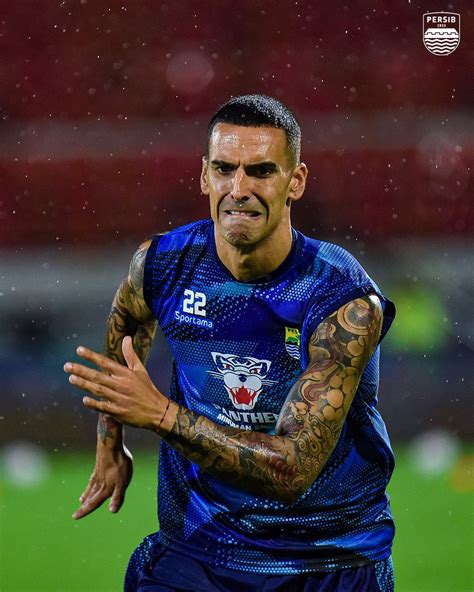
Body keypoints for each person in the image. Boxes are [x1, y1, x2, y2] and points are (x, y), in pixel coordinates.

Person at [64, 94, 396, 592]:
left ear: (296, 181)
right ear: (204, 176)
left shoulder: (340, 298)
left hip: (325, 560)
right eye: (224, 169)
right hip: (196, 555)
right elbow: (127, 324)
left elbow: (291, 470)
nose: (239, 189)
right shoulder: (164, 264)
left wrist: (159, 414)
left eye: (261, 171)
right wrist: (109, 444)